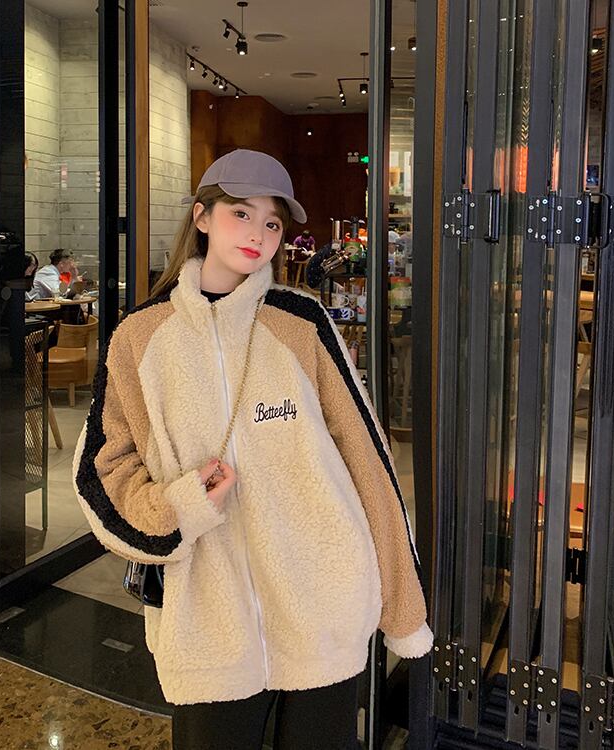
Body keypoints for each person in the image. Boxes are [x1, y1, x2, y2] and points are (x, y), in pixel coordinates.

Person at [73, 148, 432, 750]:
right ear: (202, 216)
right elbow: (103, 469)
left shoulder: (302, 322)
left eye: (272, 223)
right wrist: (181, 507)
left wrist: (402, 605)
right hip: (206, 615)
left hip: (323, 598)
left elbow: (368, 459)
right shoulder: (140, 336)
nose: (258, 235)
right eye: (241, 213)